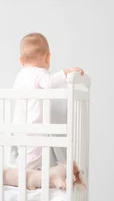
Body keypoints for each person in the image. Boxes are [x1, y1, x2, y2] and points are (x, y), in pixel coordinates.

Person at [10, 32, 84, 169]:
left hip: (19, 127)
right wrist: (66, 72)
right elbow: (50, 83)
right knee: (34, 157)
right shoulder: (40, 73)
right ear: (48, 57)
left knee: (25, 155)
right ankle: (22, 176)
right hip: (35, 128)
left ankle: (20, 172)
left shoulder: (20, 76)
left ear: (21, 61)